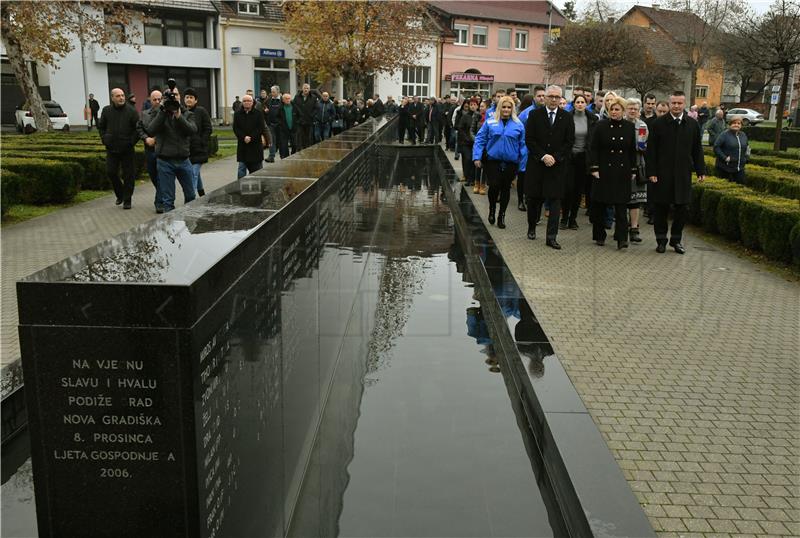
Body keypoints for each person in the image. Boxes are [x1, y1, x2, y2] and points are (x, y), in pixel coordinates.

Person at [646, 90, 706, 254]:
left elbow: (697, 150)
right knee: (661, 208)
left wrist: (701, 170)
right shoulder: (658, 124)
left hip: (683, 174)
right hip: (661, 174)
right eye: (674, 103)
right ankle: (661, 240)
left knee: (682, 208)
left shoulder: (692, 125)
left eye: (680, 103)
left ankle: (676, 240)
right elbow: (651, 151)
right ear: (669, 103)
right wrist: (651, 171)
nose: (677, 106)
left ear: (684, 103)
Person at [524, 85, 575, 248]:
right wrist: (543, 156)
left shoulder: (566, 117)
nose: (554, 100)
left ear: (561, 99)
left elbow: (569, 141)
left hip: (557, 166)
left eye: (557, 97)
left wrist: (556, 157)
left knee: (555, 202)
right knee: (534, 199)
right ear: (544, 97)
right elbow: (529, 140)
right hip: (537, 164)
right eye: (551, 96)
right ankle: (532, 227)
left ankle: (551, 237)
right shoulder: (534, 115)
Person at [588, 95, 637, 249]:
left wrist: (633, 169)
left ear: (623, 111)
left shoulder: (629, 127)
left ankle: (622, 238)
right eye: (611, 109)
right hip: (603, 170)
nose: (614, 112)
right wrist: (594, 167)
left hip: (622, 171)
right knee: (600, 206)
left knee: (621, 207)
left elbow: (632, 150)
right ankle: (599, 235)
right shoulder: (600, 125)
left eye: (617, 109)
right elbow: (593, 148)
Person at [473, 96, 527, 229]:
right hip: (493, 160)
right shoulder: (490, 122)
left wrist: (522, 164)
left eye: (509, 107)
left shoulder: (518, 124)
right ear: (499, 108)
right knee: (494, 185)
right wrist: (477, 157)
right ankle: (492, 209)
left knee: (505, 188)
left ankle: (501, 215)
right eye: (504, 107)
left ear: (512, 109)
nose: (506, 110)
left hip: (510, 162)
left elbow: (523, 145)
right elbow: (480, 139)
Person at [146, 85, 197, 213]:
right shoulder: (159, 114)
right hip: (165, 162)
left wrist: (179, 116)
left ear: (180, 97)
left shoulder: (188, 114)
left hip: (184, 160)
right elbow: (151, 130)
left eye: (176, 95)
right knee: (168, 201)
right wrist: (163, 112)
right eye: (170, 96)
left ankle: (188, 222)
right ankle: (170, 230)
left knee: (191, 196)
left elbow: (192, 130)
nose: (174, 98)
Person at [98, 88, 140, 209]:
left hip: (127, 149)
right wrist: (104, 138)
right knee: (110, 172)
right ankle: (120, 194)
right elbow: (101, 127)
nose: (121, 98)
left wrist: (131, 143)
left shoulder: (132, 111)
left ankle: (127, 200)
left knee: (128, 175)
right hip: (111, 148)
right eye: (118, 96)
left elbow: (137, 129)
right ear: (112, 98)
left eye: (122, 95)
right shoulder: (106, 111)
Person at [561, 94, 597, 230]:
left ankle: (573, 219)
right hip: (569, 157)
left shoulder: (592, 119)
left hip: (584, 158)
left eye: (583, 102)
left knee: (578, 190)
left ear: (586, 104)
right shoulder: (566, 117)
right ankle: (564, 218)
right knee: (568, 189)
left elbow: (593, 141)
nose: (580, 104)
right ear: (574, 104)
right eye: (578, 102)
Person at [624, 98, 648, 243]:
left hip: (637, 164)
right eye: (630, 108)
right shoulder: (620, 123)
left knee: (635, 200)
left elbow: (641, 146)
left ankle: (634, 228)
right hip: (620, 164)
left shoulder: (642, 125)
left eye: (635, 109)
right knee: (620, 199)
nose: (632, 111)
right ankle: (620, 228)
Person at [137, 90, 163, 212]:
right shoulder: (144, 114)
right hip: (149, 150)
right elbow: (139, 128)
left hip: (162, 149)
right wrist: (146, 138)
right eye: (155, 99)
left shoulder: (166, 113)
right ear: (150, 100)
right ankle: (161, 195)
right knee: (153, 175)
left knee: (160, 176)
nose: (157, 102)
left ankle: (159, 202)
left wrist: (156, 139)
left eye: (159, 99)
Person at [184, 88, 212, 197]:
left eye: (191, 97)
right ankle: (202, 195)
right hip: (187, 150)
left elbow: (208, 128)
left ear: (196, 100)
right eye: (187, 97)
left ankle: (192, 200)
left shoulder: (201, 111)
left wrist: (202, 141)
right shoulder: (182, 112)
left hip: (199, 150)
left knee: (192, 175)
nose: (189, 99)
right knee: (196, 174)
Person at [233, 94, 267, 178]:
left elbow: (260, 128)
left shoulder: (258, 114)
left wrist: (251, 137)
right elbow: (236, 128)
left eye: (249, 101)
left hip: (255, 145)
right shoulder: (237, 114)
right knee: (241, 169)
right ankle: (239, 186)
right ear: (242, 103)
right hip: (243, 145)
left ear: (252, 103)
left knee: (256, 170)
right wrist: (244, 137)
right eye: (244, 101)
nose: (247, 103)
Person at [713, 115, 750, 184]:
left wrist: (746, 157)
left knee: (741, 185)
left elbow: (747, 147)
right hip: (725, 168)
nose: (736, 125)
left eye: (738, 123)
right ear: (730, 124)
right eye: (734, 123)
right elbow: (716, 147)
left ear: (741, 125)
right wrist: (725, 158)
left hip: (739, 168)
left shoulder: (743, 135)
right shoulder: (724, 135)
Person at [516, 94, 536, 211]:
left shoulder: (545, 112)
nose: (542, 98)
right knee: (522, 175)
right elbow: (518, 129)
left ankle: (529, 197)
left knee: (533, 177)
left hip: (538, 150)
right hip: (525, 148)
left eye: (544, 95)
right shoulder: (525, 113)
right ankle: (521, 200)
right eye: (539, 96)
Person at [457, 98, 479, 186]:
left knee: (474, 161)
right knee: (468, 159)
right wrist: (467, 138)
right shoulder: (465, 116)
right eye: (471, 105)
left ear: (477, 106)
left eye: (474, 105)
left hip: (476, 142)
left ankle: (472, 179)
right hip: (466, 143)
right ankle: (467, 177)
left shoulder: (479, 116)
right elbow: (461, 128)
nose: (473, 106)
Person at [292, 83, 318, 151]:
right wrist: (296, 116)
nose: (306, 89)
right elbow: (294, 107)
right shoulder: (297, 97)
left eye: (307, 88)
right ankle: (299, 151)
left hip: (309, 120)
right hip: (299, 121)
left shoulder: (313, 97)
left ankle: (307, 150)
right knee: (299, 137)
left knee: (308, 138)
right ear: (302, 89)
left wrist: (312, 115)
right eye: (304, 88)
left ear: (309, 89)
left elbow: (316, 108)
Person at [262, 86, 282, 162]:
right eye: (271, 91)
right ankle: (271, 156)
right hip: (271, 124)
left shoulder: (282, 100)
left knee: (280, 141)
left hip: (280, 124)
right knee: (272, 140)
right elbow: (264, 105)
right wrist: (265, 110)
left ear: (278, 92)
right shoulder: (269, 99)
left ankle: (282, 156)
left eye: (273, 92)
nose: (272, 93)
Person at [275, 93, 298, 159]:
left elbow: (299, 115)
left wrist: (297, 123)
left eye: (289, 98)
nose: (288, 100)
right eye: (286, 99)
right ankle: (286, 158)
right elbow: (276, 117)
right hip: (284, 130)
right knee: (284, 146)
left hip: (293, 129)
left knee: (294, 144)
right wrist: (281, 124)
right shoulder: (280, 107)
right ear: (283, 100)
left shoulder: (294, 106)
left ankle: (293, 155)